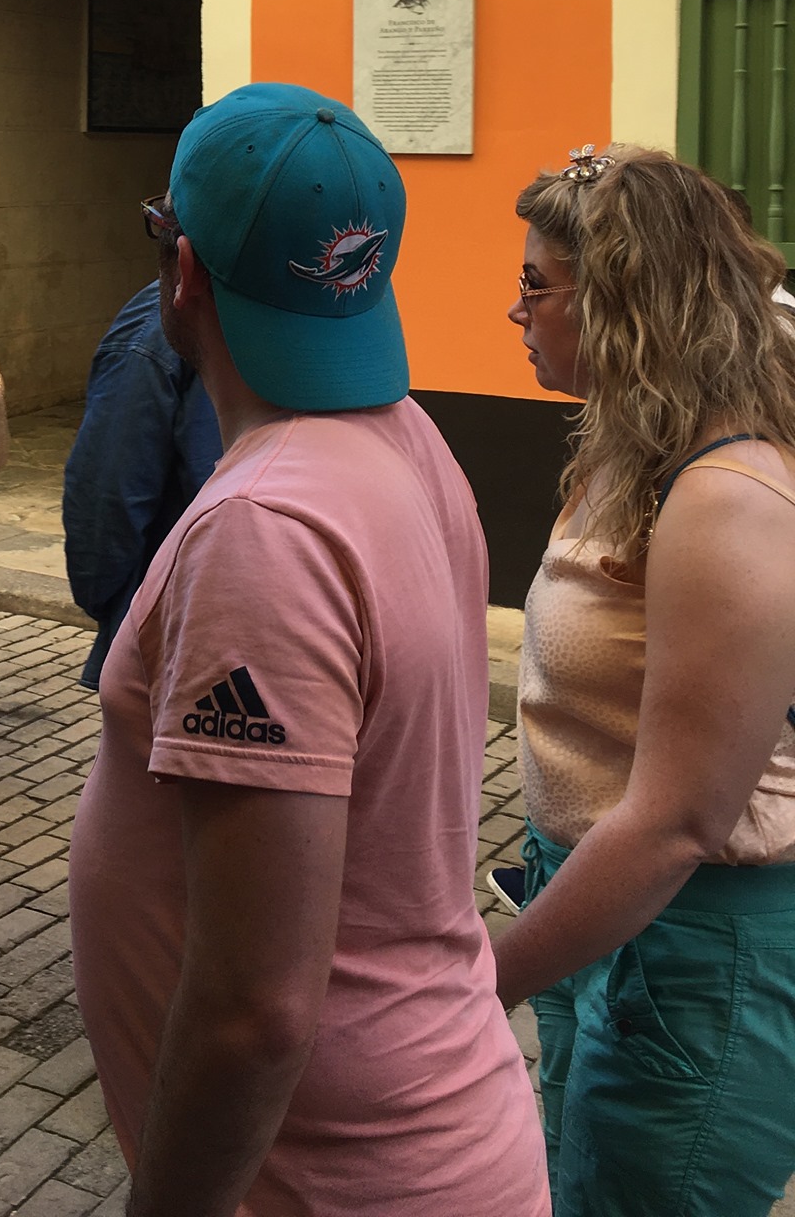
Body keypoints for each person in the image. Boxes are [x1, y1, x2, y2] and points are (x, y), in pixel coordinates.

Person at [68, 83, 547, 1217]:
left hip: (348, 1175)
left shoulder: (265, 530)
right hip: (416, 1134)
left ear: (184, 271)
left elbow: (257, 1009)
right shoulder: (410, 435)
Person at [494, 143, 795, 1215]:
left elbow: (676, 821)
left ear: (623, 301)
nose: (515, 308)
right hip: (599, 911)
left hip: (693, 946)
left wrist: (479, 982)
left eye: (536, 283)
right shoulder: (633, 440)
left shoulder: (727, 496)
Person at [64, 280, 221, 689]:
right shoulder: (330, 313)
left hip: (177, 612)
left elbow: (106, 494)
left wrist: (105, 599)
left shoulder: (163, 324)